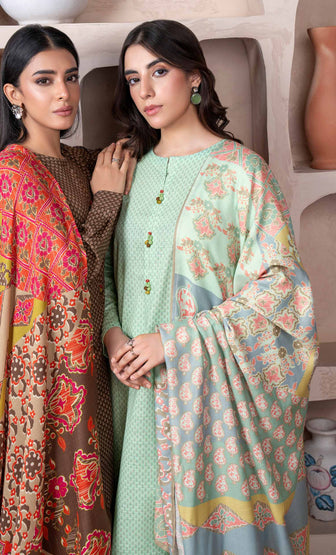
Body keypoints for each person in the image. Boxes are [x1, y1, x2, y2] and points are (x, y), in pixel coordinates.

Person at [103, 19, 318, 555]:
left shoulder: (243, 172)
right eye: (133, 78)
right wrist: (112, 333)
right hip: (133, 394)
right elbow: (104, 269)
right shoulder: (128, 170)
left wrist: (173, 342)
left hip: (204, 404)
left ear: (195, 77)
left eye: (159, 72)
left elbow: (282, 291)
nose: (145, 91)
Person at [0, 24, 130, 555]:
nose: (64, 93)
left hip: (100, 356)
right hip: (49, 369)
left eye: (71, 77)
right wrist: (107, 200)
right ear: (14, 94)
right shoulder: (13, 170)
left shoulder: (80, 162)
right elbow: (70, 274)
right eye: (44, 80)